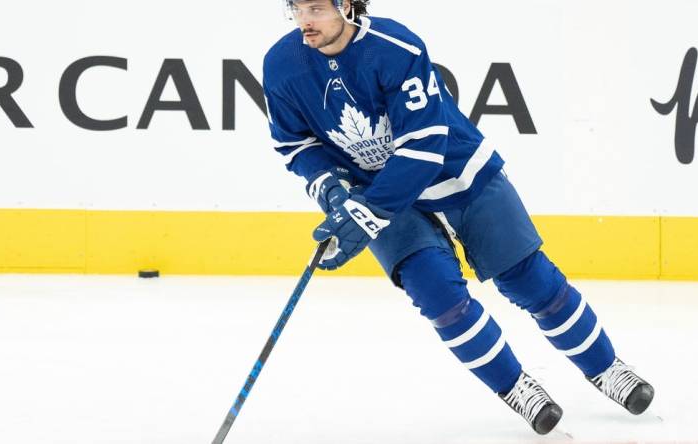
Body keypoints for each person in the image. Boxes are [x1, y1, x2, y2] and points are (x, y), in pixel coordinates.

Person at [262, 0, 654, 435]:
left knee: (529, 278)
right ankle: (517, 386)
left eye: (316, 8)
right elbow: (295, 144)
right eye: (296, 8)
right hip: (379, 195)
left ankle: (606, 368)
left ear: (349, 6)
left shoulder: (396, 47)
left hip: (457, 170)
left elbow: (424, 145)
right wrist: (333, 190)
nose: (305, 21)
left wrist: (370, 212)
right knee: (437, 295)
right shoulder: (281, 65)